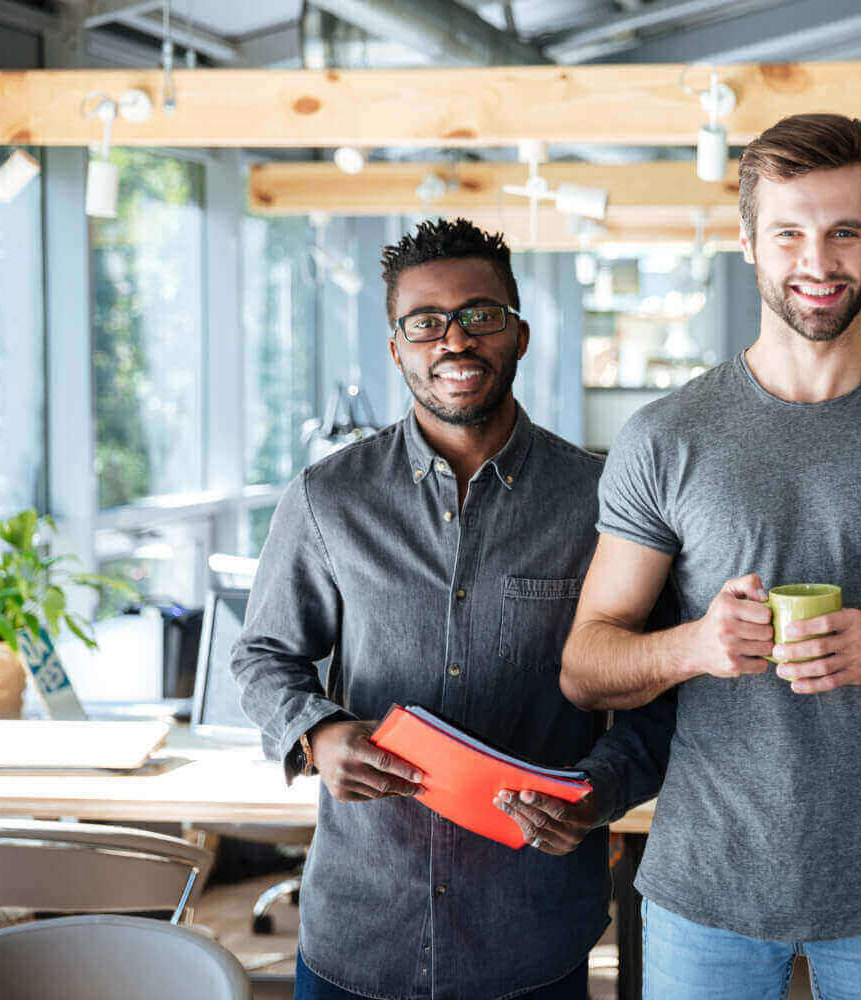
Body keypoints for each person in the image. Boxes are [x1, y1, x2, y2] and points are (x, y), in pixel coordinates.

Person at [559, 113, 861, 1000]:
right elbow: (585, 665)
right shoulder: (665, 437)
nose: (817, 263)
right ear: (747, 242)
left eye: (843, 233)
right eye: (788, 232)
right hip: (704, 887)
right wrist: (694, 647)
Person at [232, 218, 674, 1000]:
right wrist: (316, 733)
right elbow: (265, 654)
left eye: (480, 315)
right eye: (426, 322)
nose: (455, 340)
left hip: (531, 930)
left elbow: (658, 696)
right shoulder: (329, 499)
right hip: (360, 931)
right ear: (397, 347)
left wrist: (599, 791)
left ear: (520, 334)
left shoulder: (602, 502)